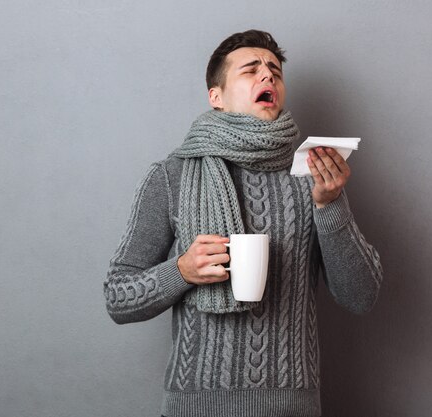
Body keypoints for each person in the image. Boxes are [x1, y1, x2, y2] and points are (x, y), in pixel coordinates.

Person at [103, 29, 383, 417]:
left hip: (293, 408)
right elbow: (118, 298)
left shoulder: (314, 176)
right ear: (216, 97)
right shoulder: (172, 176)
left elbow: (360, 295)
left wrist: (331, 204)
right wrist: (181, 271)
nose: (268, 76)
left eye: (274, 71)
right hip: (194, 408)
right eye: (250, 70)